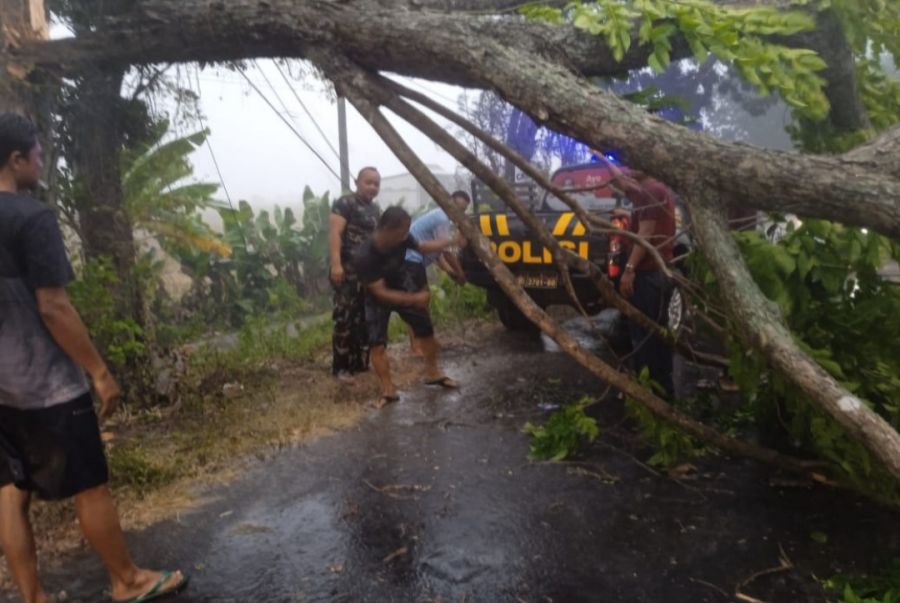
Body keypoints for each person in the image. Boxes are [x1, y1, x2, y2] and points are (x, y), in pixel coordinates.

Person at [0, 113, 187, 603]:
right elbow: (54, 306)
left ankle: (31, 596)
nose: (42, 161)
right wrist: (100, 372)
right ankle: (127, 581)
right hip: (45, 387)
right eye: (37, 154)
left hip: (1, 392)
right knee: (90, 485)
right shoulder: (30, 217)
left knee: (10, 491)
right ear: (17, 159)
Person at [353, 207, 461, 408]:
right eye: (402, 232)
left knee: (425, 330)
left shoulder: (404, 237)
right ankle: (388, 390)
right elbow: (380, 292)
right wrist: (414, 298)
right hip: (377, 296)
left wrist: (451, 242)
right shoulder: (364, 255)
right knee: (377, 344)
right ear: (386, 229)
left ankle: (433, 373)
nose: (406, 236)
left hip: (402, 280)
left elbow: (421, 247)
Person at [601, 158, 677, 397]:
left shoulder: (651, 191)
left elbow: (645, 233)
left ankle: (656, 396)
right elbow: (624, 184)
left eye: (637, 158)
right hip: (656, 272)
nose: (630, 164)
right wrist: (601, 158)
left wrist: (629, 269)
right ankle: (659, 393)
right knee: (652, 333)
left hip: (649, 274)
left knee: (646, 338)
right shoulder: (650, 190)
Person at [329, 167, 382, 378]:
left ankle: (359, 363)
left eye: (376, 184)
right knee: (345, 317)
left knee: (364, 318)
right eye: (368, 182)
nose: (372, 187)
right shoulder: (345, 203)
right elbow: (335, 233)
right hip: (347, 271)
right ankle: (341, 367)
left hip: (367, 273)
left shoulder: (375, 209)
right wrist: (336, 264)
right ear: (357, 182)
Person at [404, 191, 471, 354]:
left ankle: (426, 341)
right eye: (457, 207)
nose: (459, 212)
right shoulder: (441, 219)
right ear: (449, 203)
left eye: (462, 210)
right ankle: (416, 346)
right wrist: (460, 273)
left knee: (421, 303)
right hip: (410, 261)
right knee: (418, 303)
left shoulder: (438, 216)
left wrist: (450, 271)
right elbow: (447, 251)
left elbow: (437, 253)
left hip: (413, 261)